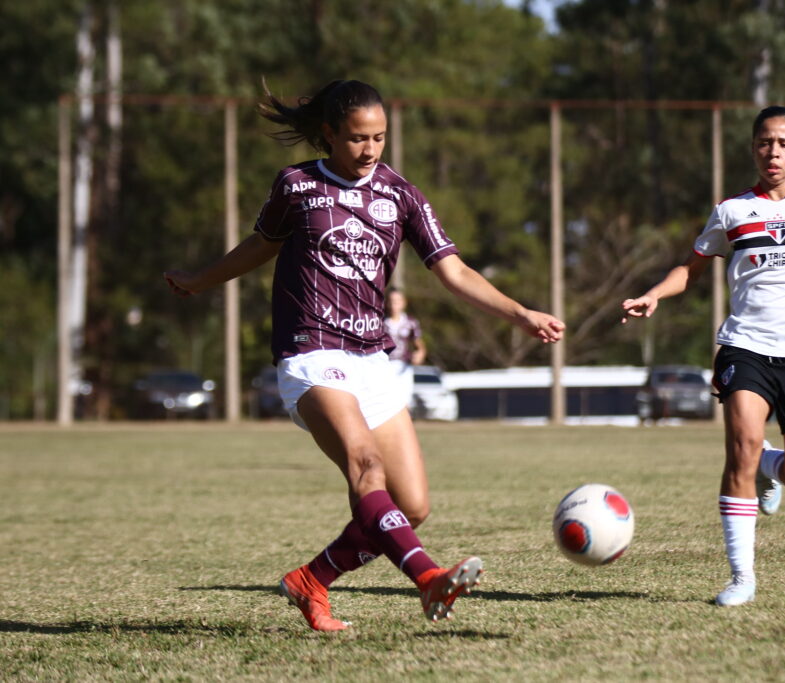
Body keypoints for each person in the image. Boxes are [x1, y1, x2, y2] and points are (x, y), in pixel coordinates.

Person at [164, 79, 565, 631]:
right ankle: (429, 579)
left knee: (412, 506)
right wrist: (199, 281)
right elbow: (259, 246)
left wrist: (520, 313)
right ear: (329, 134)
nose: (370, 149)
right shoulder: (297, 186)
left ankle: (311, 581)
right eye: (357, 138)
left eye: (379, 137)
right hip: (310, 352)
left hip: (373, 360)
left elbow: (453, 270)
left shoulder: (402, 194)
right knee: (366, 468)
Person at [621, 105, 785, 607]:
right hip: (746, 347)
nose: (773, 152)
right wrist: (655, 293)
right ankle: (742, 578)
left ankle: (769, 466)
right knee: (740, 447)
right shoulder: (732, 210)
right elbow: (690, 269)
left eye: (783, 143)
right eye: (764, 142)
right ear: (753, 149)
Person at [384, 289, 427, 411]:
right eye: (391, 301)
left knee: (404, 401)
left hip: (404, 366)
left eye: (397, 301)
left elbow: (419, 344)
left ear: (404, 303)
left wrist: (420, 353)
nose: (394, 305)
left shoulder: (410, 322)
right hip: (384, 365)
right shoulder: (380, 322)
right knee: (387, 400)